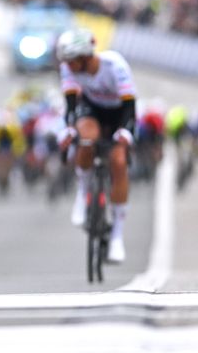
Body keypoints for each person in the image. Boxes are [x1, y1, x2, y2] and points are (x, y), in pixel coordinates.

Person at [56, 27, 136, 263]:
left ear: (85, 57)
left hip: (121, 113)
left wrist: (126, 133)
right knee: (86, 139)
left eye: (71, 61)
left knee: (118, 161)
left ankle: (117, 237)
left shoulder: (115, 66)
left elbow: (130, 106)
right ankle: (83, 194)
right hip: (92, 110)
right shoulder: (67, 69)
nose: (67, 66)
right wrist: (69, 129)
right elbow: (71, 105)